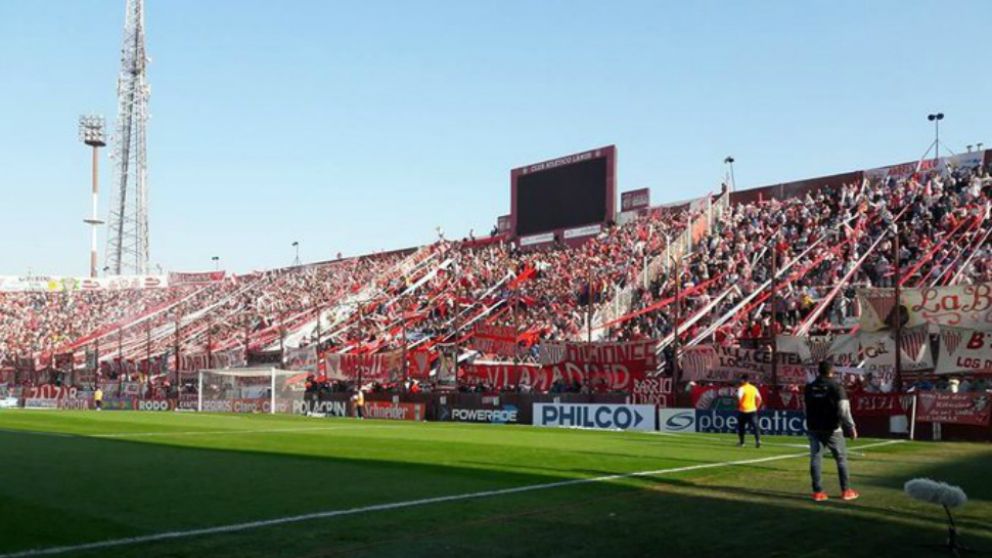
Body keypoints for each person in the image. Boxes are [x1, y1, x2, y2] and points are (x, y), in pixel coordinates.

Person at [804, 362, 859, 502]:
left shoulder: (809, 387)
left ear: (819, 371)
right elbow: (844, 409)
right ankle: (846, 490)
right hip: (832, 428)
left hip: (813, 427)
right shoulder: (836, 387)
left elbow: (806, 406)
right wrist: (851, 427)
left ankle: (818, 492)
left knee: (815, 458)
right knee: (841, 459)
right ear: (832, 372)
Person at [736, 375, 762, 447]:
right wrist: (756, 407)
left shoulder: (741, 388)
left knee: (741, 427)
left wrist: (739, 406)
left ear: (743, 380)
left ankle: (742, 443)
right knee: (755, 426)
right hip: (752, 410)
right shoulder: (754, 388)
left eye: (741, 380)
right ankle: (758, 440)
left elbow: (739, 398)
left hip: (743, 411)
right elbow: (759, 399)